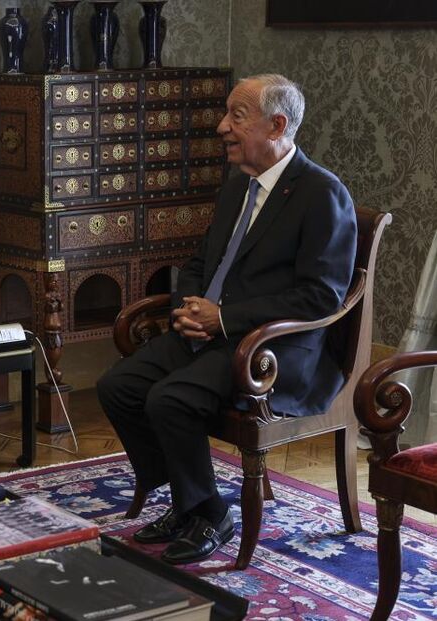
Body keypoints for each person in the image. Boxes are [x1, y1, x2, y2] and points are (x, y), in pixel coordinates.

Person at [96, 74, 358, 565]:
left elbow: (321, 297)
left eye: (236, 117)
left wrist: (226, 318)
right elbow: (201, 261)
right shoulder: (239, 187)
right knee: (119, 387)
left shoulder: (321, 194)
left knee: (169, 400)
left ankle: (211, 513)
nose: (221, 127)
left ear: (277, 124)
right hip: (217, 335)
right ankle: (189, 502)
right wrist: (189, 307)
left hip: (272, 352)